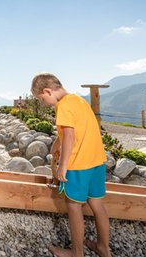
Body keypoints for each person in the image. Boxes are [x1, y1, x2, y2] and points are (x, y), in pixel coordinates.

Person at [31, 73, 111, 257]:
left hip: (79, 165)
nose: (44, 103)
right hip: (97, 162)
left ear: (48, 91)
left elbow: (69, 136)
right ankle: (103, 248)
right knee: (97, 205)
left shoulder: (63, 106)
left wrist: (62, 165)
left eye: (42, 99)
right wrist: (56, 143)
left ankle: (76, 253)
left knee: (74, 207)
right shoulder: (78, 101)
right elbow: (77, 129)